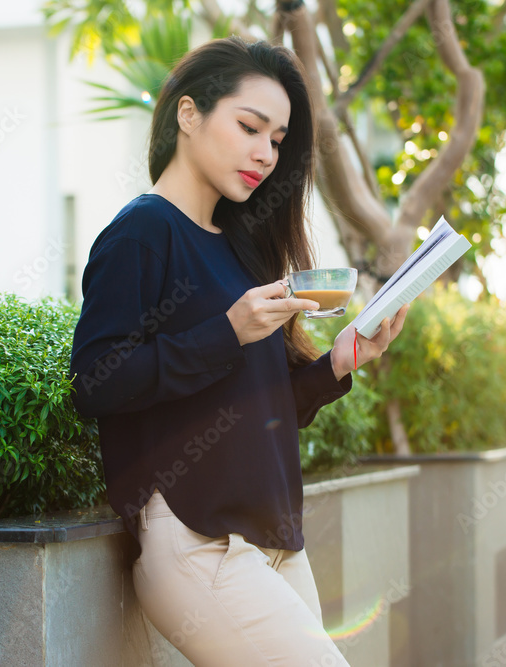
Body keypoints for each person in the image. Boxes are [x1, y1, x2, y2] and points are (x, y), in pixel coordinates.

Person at [69, 35, 410, 666]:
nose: (265, 153)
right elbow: (95, 381)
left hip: (277, 544)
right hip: (200, 544)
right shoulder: (143, 232)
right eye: (250, 127)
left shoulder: (240, 247)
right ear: (189, 114)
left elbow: (260, 404)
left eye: (278, 140)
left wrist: (340, 362)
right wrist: (225, 332)